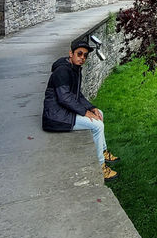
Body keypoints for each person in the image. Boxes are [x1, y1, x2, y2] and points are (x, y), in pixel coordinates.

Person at [42, 34, 119, 181]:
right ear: (71, 54)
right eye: (79, 54)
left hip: (64, 111)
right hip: (55, 117)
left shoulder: (74, 69)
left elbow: (77, 95)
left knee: (99, 113)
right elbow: (64, 97)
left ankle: (103, 151)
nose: (82, 57)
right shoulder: (62, 71)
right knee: (96, 125)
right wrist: (84, 112)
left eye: (85, 55)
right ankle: (101, 167)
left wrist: (92, 107)